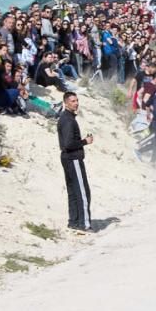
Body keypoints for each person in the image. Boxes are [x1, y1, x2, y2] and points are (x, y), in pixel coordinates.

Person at [57, 91, 94, 232]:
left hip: (68, 158)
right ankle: (84, 224)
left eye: (77, 100)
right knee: (83, 192)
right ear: (66, 103)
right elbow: (68, 144)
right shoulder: (67, 120)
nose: (76, 103)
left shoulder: (68, 118)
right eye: (72, 101)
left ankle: (74, 222)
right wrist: (85, 141)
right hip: (72, 158)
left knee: (73, 191)